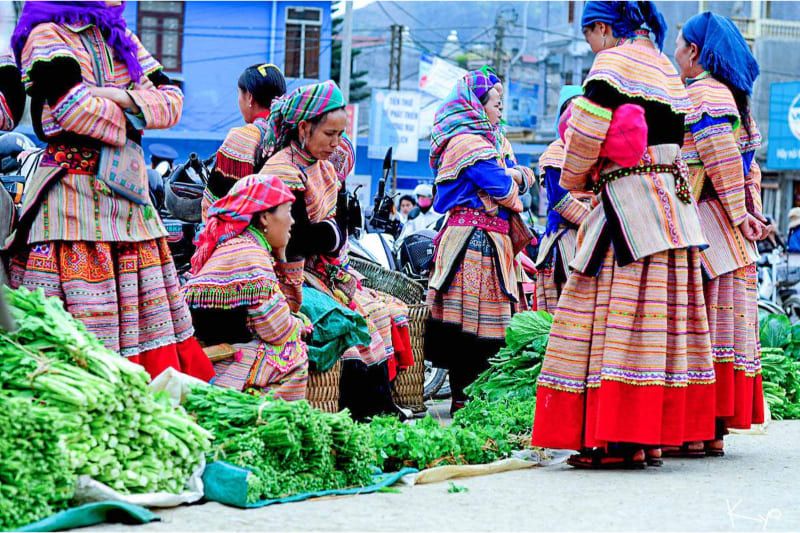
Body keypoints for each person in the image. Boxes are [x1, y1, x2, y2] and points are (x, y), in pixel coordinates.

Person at [531, 1, 716, 469]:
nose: (590, 45)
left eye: (589, 35)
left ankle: (617, 440)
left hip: (627, 208)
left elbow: (586, 136)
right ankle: (649, 438)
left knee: (611, 316)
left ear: (601, 27)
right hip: (673, 208)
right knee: (658, 324)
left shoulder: (611, 64)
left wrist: (576, 176)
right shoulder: (667, 69)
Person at [7, 1, 214, 382]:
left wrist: (116, 97)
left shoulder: (121, 37)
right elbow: (71, 109)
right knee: (77, 344)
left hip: (131, 206)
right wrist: (136, 113)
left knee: (150, 332)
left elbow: (173, 101)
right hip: (73, 204)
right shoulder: (47, 34)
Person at [260, 80, 411, 420]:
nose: (336, 143)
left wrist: (329, 235)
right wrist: (330, 235)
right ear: (303, 127)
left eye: (341, 134)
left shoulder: (324, 168)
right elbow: (296, 240)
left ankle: (378, 412)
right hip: (285, 274)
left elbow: (334, 229)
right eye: (329, 134)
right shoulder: (283, 170)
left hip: (319, 270)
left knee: (378, 314)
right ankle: (364, 416)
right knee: (354, 323)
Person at [673, 11, 767, 456]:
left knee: (698, 330)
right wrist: (751, 213)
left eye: (678, 44)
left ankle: (694, 432)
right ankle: (710, 432)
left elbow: (721, 161)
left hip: (706, 227)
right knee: (720, 333)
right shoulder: (736, 100)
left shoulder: (704, 96)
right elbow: (752, 170)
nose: (674, 53)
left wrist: (737, 211)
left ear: (694, 51)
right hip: (733, 236)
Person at [425, 68, 535, 414]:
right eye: (496, 103)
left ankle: (479, 397)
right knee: (467, 326)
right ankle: (463, 397)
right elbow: (505, 188)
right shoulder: (465, 143)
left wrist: (513, 177)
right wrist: (515, 177)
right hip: (472, 243)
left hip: (495, 243)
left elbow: (513, 183)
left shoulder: (496, 141)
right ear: (476, 105)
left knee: (492, 325)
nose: (501, 110)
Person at [184, 175, 310, 400]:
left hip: (218, 343)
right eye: (287, 211)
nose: (291, 221)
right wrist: (298, 325)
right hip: (225, 353)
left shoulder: (240, 246)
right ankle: (266, 416)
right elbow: (277, 330)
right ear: (264, 217)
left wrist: (280, 258)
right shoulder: (251, 255)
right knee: (293, 352)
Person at [202, 63, 287, 221]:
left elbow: (215, 201)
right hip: (286, 228)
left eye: (239, 93)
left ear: (250, 97)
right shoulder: (291, 132)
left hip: (249, 236)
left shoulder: (243, 137)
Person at [535, 86, 592, 314]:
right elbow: (560, 200)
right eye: (571, 109)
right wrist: (595, 221)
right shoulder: (555, 153)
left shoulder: (594, 151)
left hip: (593, 231)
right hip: (566, 234)